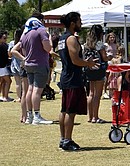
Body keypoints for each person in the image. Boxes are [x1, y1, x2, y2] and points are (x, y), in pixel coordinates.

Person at [56, 12, 99, 151]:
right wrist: (88, 63)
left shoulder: (62, 38)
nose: (81, 23)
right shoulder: (70, 39)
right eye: (79, 21)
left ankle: (64, 139)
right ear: (73, 23)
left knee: (64, 109)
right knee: (70, 111)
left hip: (66, 76)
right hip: (72, 78)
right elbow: (75, 60)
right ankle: (67, 140)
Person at [20, 14, 53, 125]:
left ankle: (29, 116)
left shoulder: (25, 34)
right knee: (37, 90)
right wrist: (49, 39)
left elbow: (23, 51)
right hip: (40, 63)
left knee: (30, 89)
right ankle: (37, 116)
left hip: (28, 64)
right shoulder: (41, 31)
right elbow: (47, 48)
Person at [83, 24, 109, 124]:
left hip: (89, 69)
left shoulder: (87, 43)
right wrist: (109, 57)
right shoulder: (99, 44)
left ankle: (90, 117)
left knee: (91, 93)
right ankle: (96, 117)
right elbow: (104, 57)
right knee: (97, 95)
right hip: (98, 69)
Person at [10, 29, 29, 123]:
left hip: (22, 65)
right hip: (27, 66)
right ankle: (27, 115)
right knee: (27, 92)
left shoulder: (18, 42)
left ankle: (23, 115)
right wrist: (25, 58)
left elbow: (12, 51)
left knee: (24, 92)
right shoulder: (26, 40)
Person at [0, 31, 11, 101]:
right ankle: (5, 96)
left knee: (3, 81)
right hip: (1, 67)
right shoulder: (3, 46)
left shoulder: (4, 46)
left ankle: (4, 96)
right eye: (4, 38)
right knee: (8, 81)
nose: (5, 39)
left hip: (3, 66)